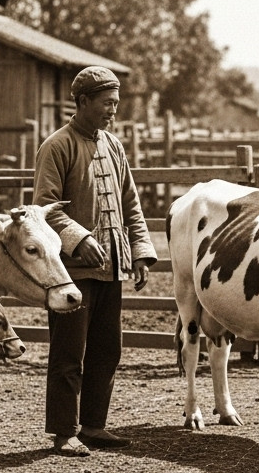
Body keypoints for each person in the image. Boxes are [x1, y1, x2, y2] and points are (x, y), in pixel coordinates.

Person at [33, 66, 157, 457]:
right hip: (71, 274)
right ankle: (63, 431)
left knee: (107, 349)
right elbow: (44, 208)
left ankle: (94, 426)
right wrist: (77, 238)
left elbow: (131, 205)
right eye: (107, 104)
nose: (113, 111)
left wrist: (139, 253)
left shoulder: (114, 146)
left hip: (111, 269)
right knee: (69, 352)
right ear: (83, 102)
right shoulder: (57, 146)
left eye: (116, 104)